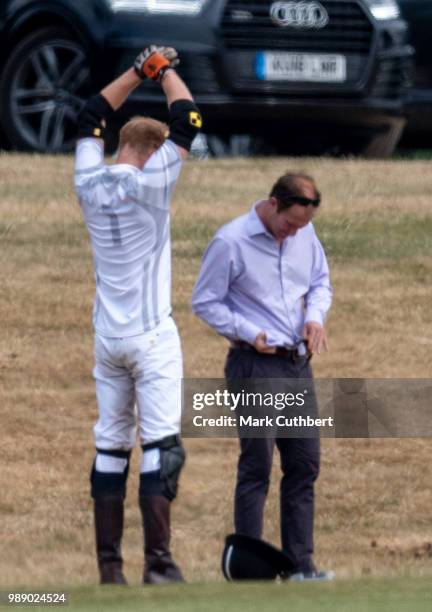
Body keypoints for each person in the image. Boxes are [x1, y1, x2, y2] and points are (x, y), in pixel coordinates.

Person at [74, 45, 202, 585]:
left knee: (110, 444)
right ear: (152, 154)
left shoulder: (87, 182)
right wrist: (166, 70)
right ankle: (160, 566)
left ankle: (109, 572)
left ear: (120, 144)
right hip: (150, 335)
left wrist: (135, 69)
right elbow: (189, 120)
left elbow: (88, 115)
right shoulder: (156, 183)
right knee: (160, 447)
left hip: (107, 337)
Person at [192, 172, 334, 581]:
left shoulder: (305, 235)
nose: (294, 234)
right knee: (257, 465)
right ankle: (249, 570)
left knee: (305, 464)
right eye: (290, 224)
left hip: (297, 363)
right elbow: (204, 301)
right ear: (273, 204)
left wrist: (314, 317)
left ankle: (300, 567)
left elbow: (320, 283)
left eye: (302, 227)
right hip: (254, 365)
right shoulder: (231, 241)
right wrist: (247, 332)